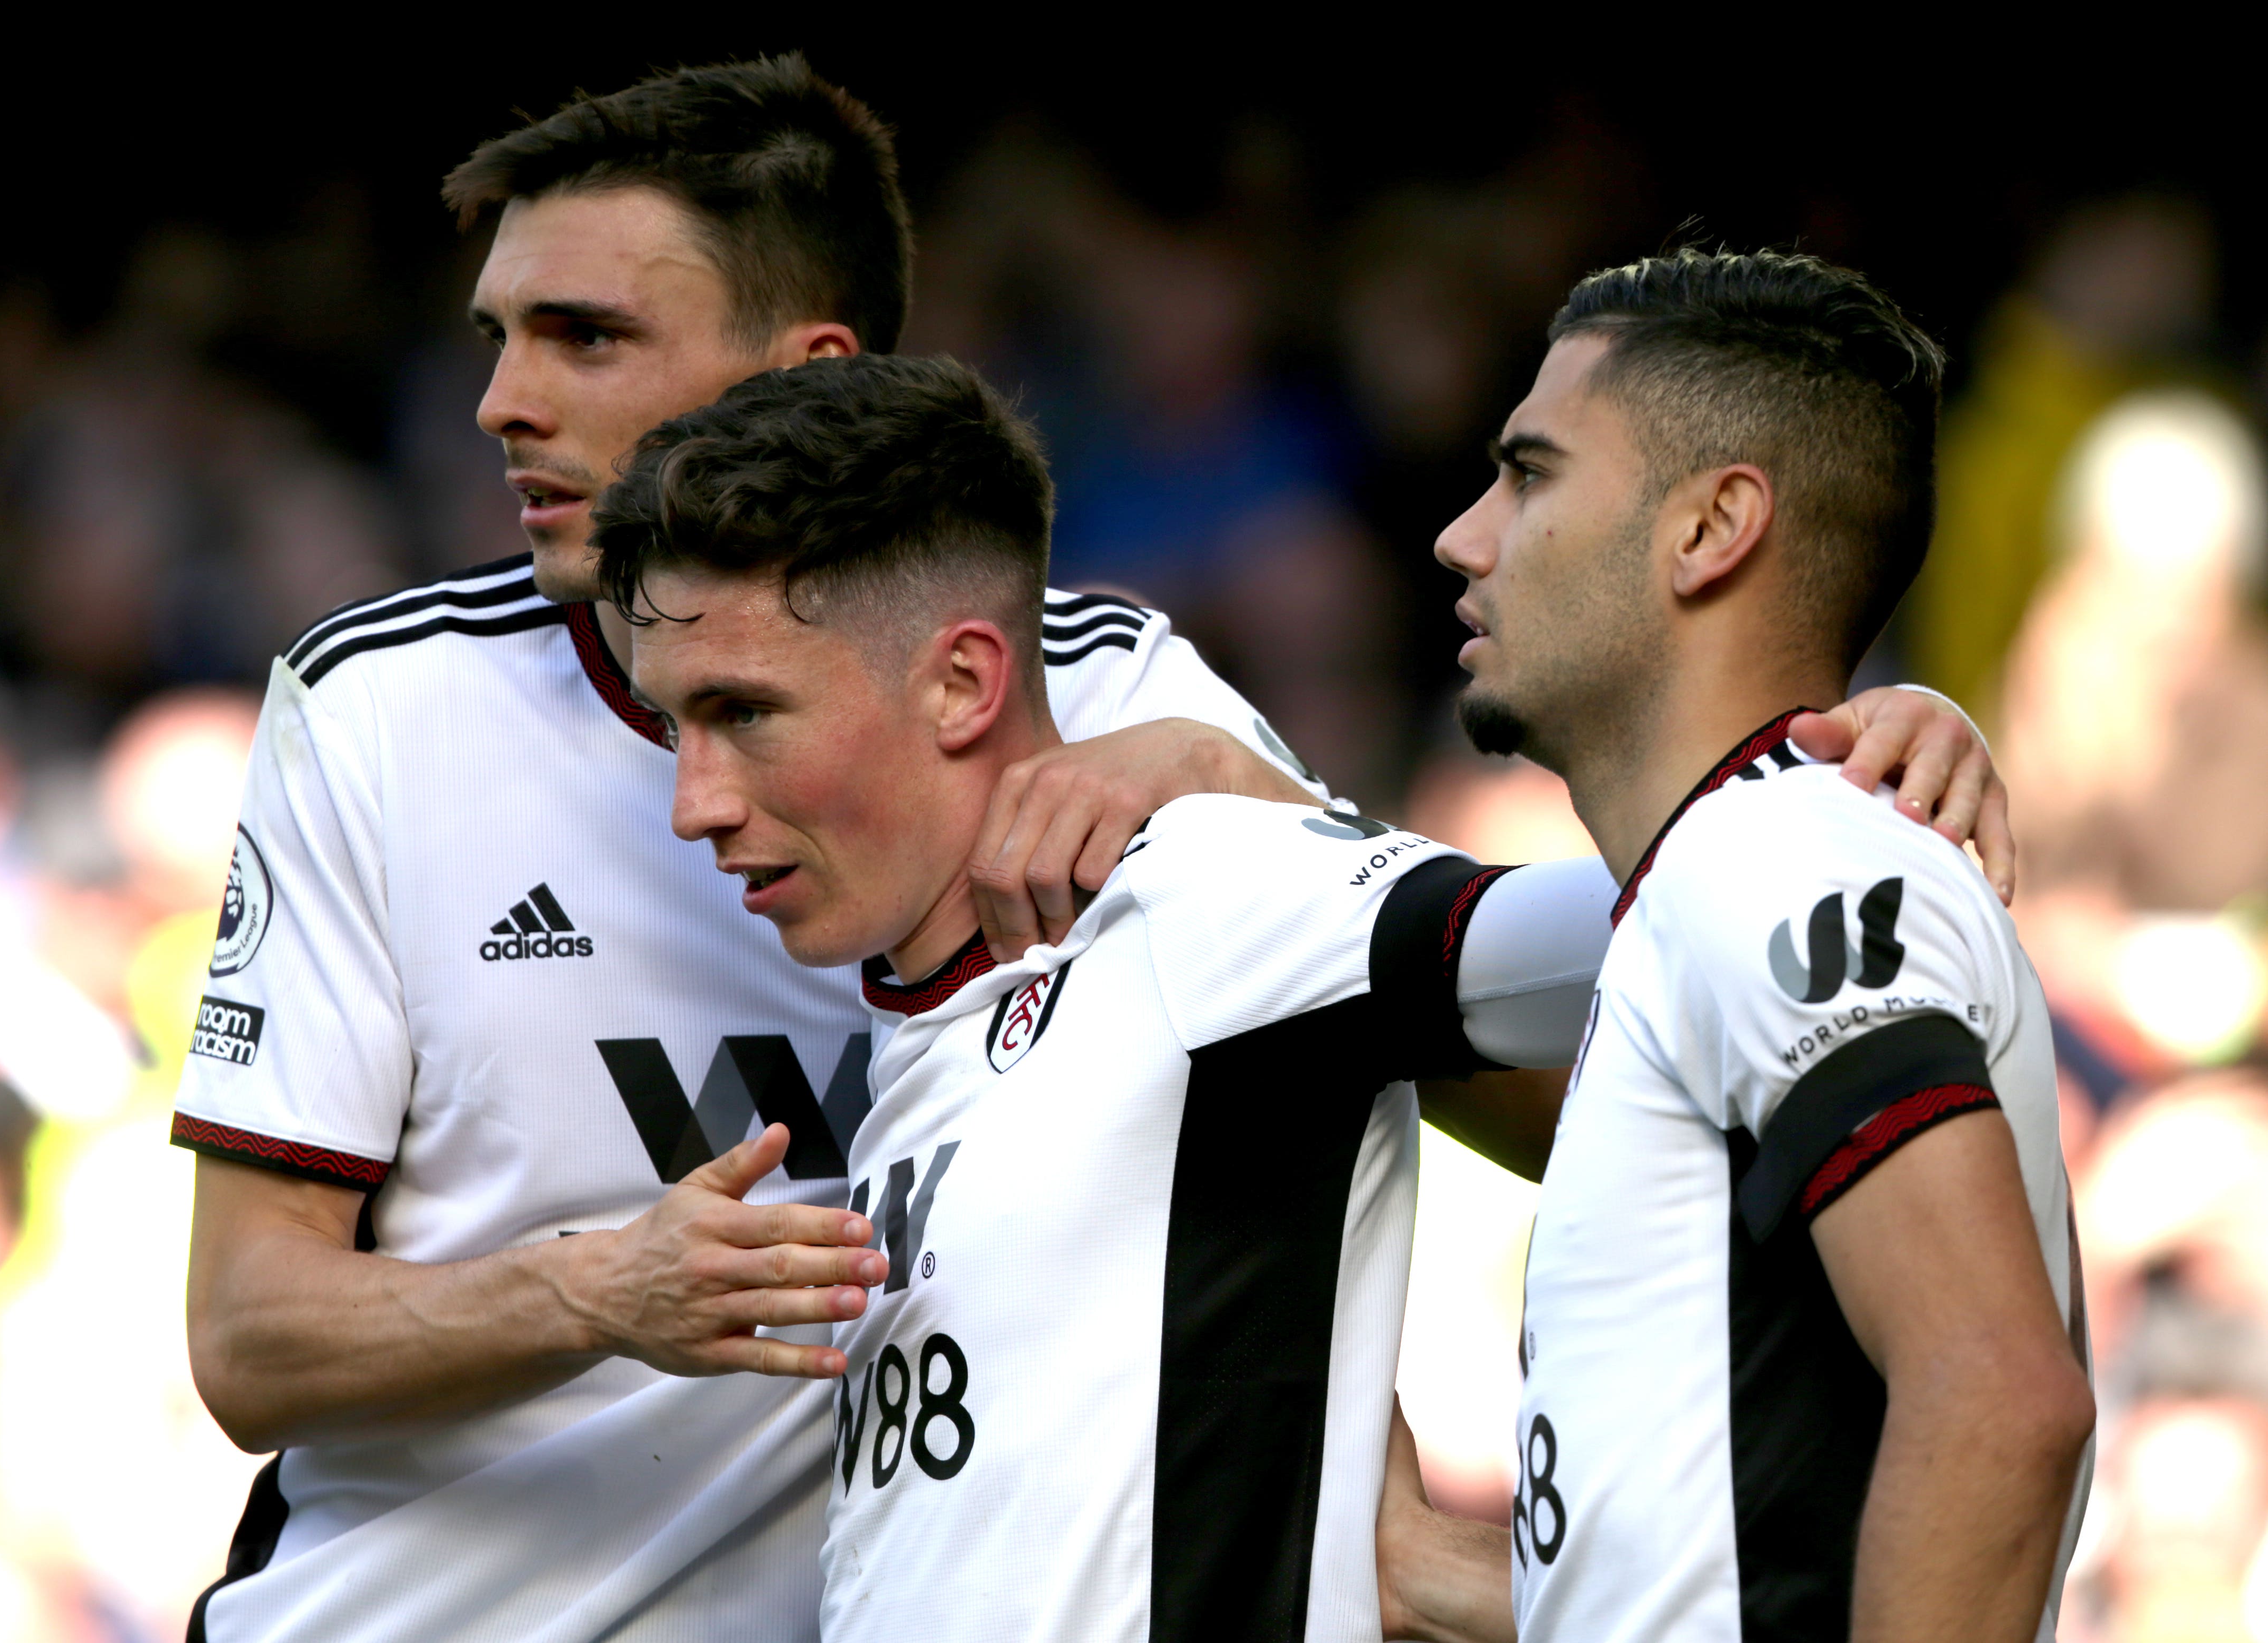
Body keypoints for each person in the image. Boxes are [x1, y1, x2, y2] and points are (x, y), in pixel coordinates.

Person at [172, 57, 2011, 1643]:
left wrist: (1807, 795)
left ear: (798, 372)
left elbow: (1470, 1047)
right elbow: (248, 1338)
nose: (502, 398)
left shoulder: (1119, 694)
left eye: (584, 336)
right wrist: (602, 1287)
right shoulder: (377, 708)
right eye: (495, 335)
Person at [603, 349, 1626, 1642]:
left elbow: (1638, 926)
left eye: (744, 712)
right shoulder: (923, 1020)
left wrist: (1840, 801)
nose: (695, 803)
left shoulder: (1201, 888)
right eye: (672, 726)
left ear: (964, 683)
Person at [1383, 249, 2093, 1643]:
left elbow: (2000, 1398)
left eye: (1528, 473)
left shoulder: (1780, 854)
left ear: (1711, 528)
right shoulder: (1725, 878)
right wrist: (1431, 1574)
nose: (1463, 537)